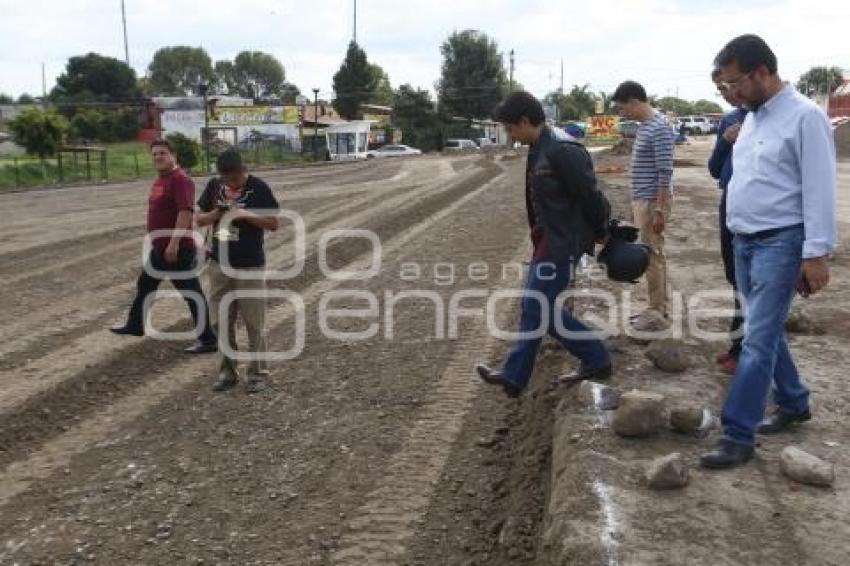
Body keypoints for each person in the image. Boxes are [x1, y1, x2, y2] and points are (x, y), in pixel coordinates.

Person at [701, 34, 836, 469]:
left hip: (781, 242)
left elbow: (819, 189)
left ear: (762, 72)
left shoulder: (805, 118)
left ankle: (737, 434)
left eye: (735, 83)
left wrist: (815, 255)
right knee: (767, 331)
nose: (732, 94)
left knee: (756, 339)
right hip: (744, 240)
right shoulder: (752, 117)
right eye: (724, 87)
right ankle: (794, 402)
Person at [475, 91, 611, 398]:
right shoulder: (540, 147)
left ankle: (596, 356)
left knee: (538, 305)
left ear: (524, 121)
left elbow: (591, 195)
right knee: (533, 305)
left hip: (564, 241)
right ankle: (514, 377)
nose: (510, 135)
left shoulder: (563, 149)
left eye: (510, 128)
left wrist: (602, 230)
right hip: (547, 239)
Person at [111, 139, 217, 354]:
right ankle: (135, 324)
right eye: (154, 154)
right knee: (146, 285)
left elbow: (185, 212)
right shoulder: (161, 180)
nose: (158, 157)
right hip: (161, 248)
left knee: (191, 293)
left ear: (173, 155)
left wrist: (174, 243)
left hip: (176, 249)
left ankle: (208, 341)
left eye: (162, 153)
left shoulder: (180, 180)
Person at [196, 149, 280, 393]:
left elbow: (273, 224)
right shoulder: (214, 186)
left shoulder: (259, 188)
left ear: (243, 170)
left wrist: (244, 214)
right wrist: (217, 213)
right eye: (225, 179)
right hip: (219, 265)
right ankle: (226, 372)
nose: (229, 184)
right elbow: (199, 219)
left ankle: (257, 374)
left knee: (254, 322)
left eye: (234, 179)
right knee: (220, 322)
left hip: (249, 265)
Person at [612, 80, 675, 321]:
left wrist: (659, 209)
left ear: (635, 102)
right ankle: (654, 306)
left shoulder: (658, 127)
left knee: (652, 255)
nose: (623, 113)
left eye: (623, 108)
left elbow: (665, 172)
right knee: (648, 253)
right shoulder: (646, 126)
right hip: (643, 199)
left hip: (652, 201)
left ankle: (657, 310)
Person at [708, 67, 749, 375]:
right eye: (720, 89)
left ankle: (742, 348)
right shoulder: (730, 119)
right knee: (734, 276)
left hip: (756, 209)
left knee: (748, 283)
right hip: (730, 202)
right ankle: (738, 345)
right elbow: (713, 167)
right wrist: (726, 141)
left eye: (728, 86)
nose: (725, 92)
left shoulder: (765, 118)